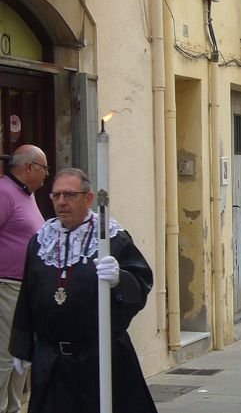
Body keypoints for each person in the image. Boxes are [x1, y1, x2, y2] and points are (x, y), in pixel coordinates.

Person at [9, 168, 157, 413]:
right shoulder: (41, 240)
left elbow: (141, 285)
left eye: (69, 195)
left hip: (99, 356)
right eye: (56, 196)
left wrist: (119, 278)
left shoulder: (111, 238)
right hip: (52, 359)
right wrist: (22, 346)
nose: (61, 202)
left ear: (88, 199)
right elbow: (28, 295)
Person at [0, 145, 48, 413]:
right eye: (44, 167)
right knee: (6, 356)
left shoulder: (26, 195)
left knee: (22, 356)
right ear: (29, 167)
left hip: (26, 289)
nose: (46, 174)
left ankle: (14, 408)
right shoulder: (4, 192)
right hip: (7, 287)